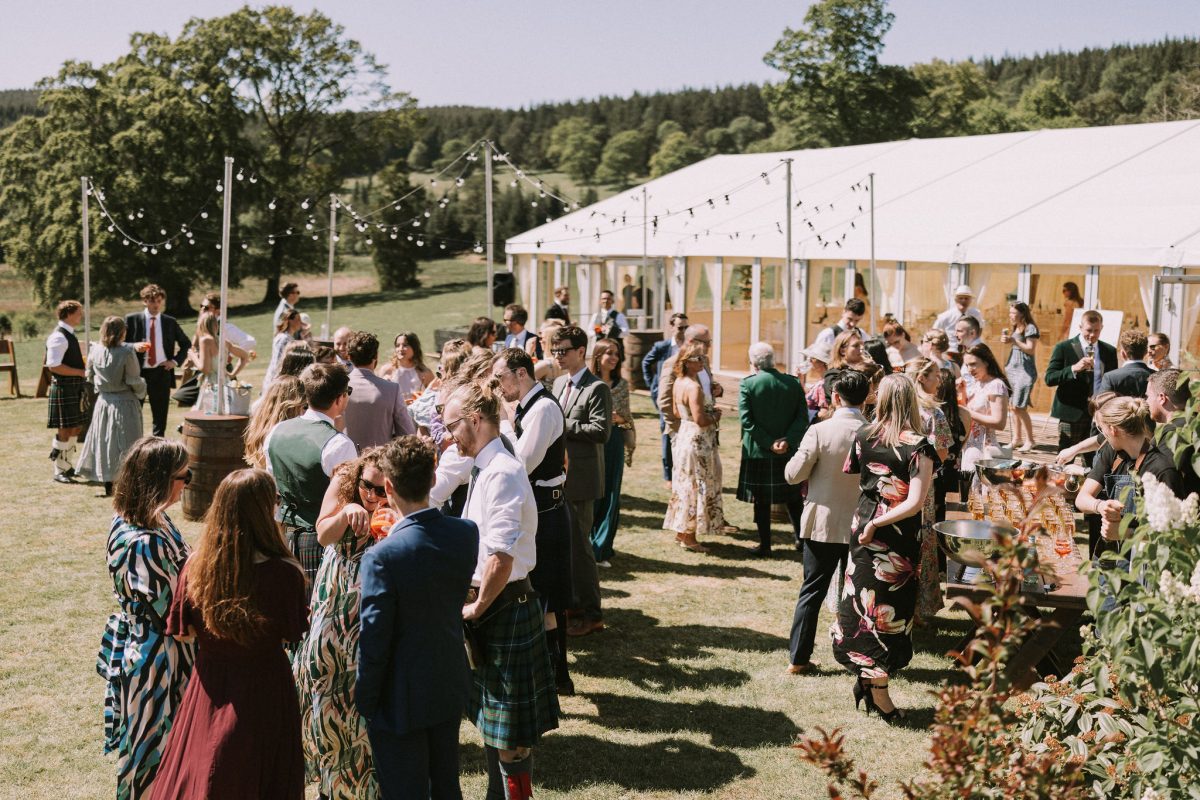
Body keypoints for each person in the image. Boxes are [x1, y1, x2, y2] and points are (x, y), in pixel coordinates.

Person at [149, 469, 309, 799]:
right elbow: (289, 635)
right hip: (265, 687)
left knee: (207, 770)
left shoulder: (196, 567)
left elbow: (183, 632)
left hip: (209, 685)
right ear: (265, 511)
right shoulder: (284, 572)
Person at [442, 381, 560, 800]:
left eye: (452, 424)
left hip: (503, 606)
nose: (448, 434)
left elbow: (501, 557)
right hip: (492, 604)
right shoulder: (484, 467)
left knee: (510, 735)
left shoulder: (504, 472)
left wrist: (476, 609)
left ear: (475, 420)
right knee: (493, 722)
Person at [357, 437, 479, 800]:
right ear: (432, 478)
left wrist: (365, 699)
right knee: (446, 785)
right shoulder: (465, 533)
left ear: (389, 487)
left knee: (403, 790)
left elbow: (374, 638)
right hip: (448, 677)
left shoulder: (382, 556)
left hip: (399, 693)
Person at [832, 374, 937, 722]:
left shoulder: (863, 435)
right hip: (893, 532)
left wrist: (872, 519)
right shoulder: (919, 445)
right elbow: (916, 501)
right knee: (884, 610)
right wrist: (879, 522)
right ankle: (878, 693)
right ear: (911, 400)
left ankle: (868, 682)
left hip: (865, 525)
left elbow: (858, 477)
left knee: (866, 604)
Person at [96, 436, 195, 800]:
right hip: (158, 660)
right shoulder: (144, 541)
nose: (189, 483)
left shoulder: (151, 520)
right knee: (152, 754)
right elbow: (175, 612)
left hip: (153, 645)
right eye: (185, 476)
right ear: (160, 480)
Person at [295, 447, 387, 798]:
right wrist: (347, 511)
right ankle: (328, 780)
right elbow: (323, 534)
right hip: (336, 598)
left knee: (361, 697)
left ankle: (362, 786)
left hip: (370, 602)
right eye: (369, 487)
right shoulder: (344, 482)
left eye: (382, 490)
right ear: (359, 476)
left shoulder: (390, 504)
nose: (373, 496)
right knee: (326, 684)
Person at [492, 347, 576, 694]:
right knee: (541, 594)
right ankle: (552, 674)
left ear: (521, 373)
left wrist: (500, 423)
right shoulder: (531, 406)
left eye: (501, 378)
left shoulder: (542, 408)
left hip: (548, 512)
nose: (499, 387)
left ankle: (558, 675)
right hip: (540, 509)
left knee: (549, 595)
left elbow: (522, 463)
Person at [783, 370, 869, 673]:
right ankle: (859, 654)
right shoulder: (873, 432)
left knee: (812, 591)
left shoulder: (820, 430)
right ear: (867, 397)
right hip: (863, 523)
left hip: (823, 521)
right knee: (859, 594)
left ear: (834, 396)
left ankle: (799, 658)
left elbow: (793, 474)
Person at [266, 364, 358, 593]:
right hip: (322, 540)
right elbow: (348, 499)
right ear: (339, 398)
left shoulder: (277, 431)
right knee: (318, 608)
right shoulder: (339, 444)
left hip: (282, 533)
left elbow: (272, 484)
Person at [551, 325, 612, 636]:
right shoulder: (559, 382)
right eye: (554, 350)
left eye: (563, 350)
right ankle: (572, 605)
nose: (558, 356)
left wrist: (562, 422)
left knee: (581, 550)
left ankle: (592, 614)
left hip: (583, 479)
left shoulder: (596, 388)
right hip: (559, 477)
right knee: (565, 548)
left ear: (580, 351)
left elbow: (601, 431)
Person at [1076, 397, 1186, 555]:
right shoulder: (1112, 453)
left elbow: (1177, 534)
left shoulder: (1163, 470)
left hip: (1144, 566)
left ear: (1113, 430)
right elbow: (1082, 499)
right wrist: (1100, 506)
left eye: (1101, 429)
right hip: (1109, 559)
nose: (1102, 435)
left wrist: (1124, 533)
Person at [737, 342, 808, 557]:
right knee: (793, 497)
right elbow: (802, 418)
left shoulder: (748, 385)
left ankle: (765, 545)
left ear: (753, 362)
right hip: (788, 451)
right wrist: (787, 440)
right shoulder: (793, 383)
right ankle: (801, 541)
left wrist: (769, 442)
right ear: (773, 360)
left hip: (759, 453)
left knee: (762, 501)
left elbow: (746, 421)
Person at [663, 341, 724, 553]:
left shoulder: (679, 382)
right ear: (687, 362)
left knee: (685, 482)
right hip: (698, 438)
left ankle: (682, 531)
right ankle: (689, 536)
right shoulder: (694, 387)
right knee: (696, 484)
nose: (702, 361)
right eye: (698, 358)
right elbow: (700, 419)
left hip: (684, 434)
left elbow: (677, 412)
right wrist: (715, 415)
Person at [905, 359, 954, 624]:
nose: (939, 380)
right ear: (922, 377)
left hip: (893, 483)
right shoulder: (933, 413)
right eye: (935, 375)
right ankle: (917, 605)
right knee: (921, 541)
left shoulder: (898, 405)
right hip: (922, 484)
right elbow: (943, 451)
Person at [76, 316, 146, 495]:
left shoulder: (95, 350)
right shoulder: (126, 353)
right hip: (124, 401)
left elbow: (89, 375)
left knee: (105, 441)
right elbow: (133, 379)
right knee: (128, 442)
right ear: (122, 332)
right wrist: (141, 391)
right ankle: (127, 482)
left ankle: (108, 480)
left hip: (104, 401)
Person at [1044, 309, 1118, 457]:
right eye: (1088, 330)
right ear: (1080, 327)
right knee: (1066, 456)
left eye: (1096, 331)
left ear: (1101, 328)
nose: (1092, 335)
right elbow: (1050, 378)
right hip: (1072, 411)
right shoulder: (1064, 348)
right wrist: (1073, 369)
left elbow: (1111, 380)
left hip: (1098, 413)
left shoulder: (1109, 351)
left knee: (1095, 459)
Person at [124, 284, 192, 438]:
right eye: (152, 301)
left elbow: (186, 344)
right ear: (144, 301)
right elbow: (119, 343)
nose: (156, 304)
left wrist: (174, 362)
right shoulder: (132, 319)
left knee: (160, 415)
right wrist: (134, 346)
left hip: (161, 372)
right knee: (134, 413)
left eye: (159, 301)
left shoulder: (170, 322)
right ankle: (135, 444)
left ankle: (158, 447)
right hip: (137, 372)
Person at [591, 339, 631, 566]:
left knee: (611, 492)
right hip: (592, 442)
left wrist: (619, 418)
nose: (614, 357)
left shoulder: (621, 385)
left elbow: (628, 419)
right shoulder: (589, 383)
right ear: (598, 356)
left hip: (613, 440)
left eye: (617, 353)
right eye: (609, 353)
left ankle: (603, 547)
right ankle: (588, 544)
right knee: (592, 492)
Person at [343, 331, 416, 451]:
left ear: (349, 356)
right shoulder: (391, 389)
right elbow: (407, 434)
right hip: (379, 463)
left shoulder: (338, 387)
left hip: (344, 463)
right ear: (376, 356)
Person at [642, 312, 688, 484]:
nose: (683, 331)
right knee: (666, 433)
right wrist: (652, 386)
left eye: (686, 327)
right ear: (672, 327)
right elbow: (646, 362)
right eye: (680, 327)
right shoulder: (662, 347)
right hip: (666, 397)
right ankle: (668, 475)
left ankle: (683, 469)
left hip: (683, 396)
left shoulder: (689, 347)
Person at [46, 300, 88, 483]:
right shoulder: (59, 336)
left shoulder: (68, 334)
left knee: (76, 427)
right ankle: (59, 470)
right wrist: (80, 371)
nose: (81, 316)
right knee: (64, 429)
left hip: (73, 387)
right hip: (64, 387)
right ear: (69, 314)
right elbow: (54, 366)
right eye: (79, 313)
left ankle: (67, 465)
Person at [958, 344, 1012, 475]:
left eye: (973, 364)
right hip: (969, 447)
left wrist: (967, 412)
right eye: (967, 365)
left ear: (986, 361)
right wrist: (961, 392)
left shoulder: (996, 385)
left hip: (985, 449)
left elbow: (999, 423)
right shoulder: (977, 384)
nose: (970, 369)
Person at [1147, 368, 1200, 498]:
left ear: (1161, 398)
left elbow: (1165, 479)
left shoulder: (1172, 434)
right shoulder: (1195, 423)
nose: (1146, 401)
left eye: (1148, 396)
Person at [189, 311, 252, 415]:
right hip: (225, 382)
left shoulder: (205, 340)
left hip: (212, 385)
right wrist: (232, 375)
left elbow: (205, 369)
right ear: (215, 325)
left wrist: (193, 356)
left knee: (208, 416)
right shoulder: (224, 341)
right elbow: (245, 356)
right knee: (225, 413)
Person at [244, 375, 305, 470]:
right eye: (304, 406)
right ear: (292, 406)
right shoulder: (286, 434)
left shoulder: (260, 425)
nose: (305, 411)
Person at [1002, 302, 1040, 453]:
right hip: (1013, 369)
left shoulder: (1031, 328)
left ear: (1022, 314)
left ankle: (1030, 440)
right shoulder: (1016, 327)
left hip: (1025, 371)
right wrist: (1008, 341)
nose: (1011, 316)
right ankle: (1017, 439)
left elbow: (1030, 350)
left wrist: (1014, 341)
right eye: (1010, 313)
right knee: (1013, 406)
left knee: (1019, 406)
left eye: (1013, 313)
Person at [199, 292, 257, 376]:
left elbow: (250, 341)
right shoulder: (202, 325)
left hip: (221, 372)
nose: (203, 309)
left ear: (218, 310)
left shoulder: (224, 326)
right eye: (201, 306)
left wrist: (230, 357)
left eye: (206, 307)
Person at [819, 330, 869, 419]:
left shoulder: (864, 369)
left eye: (862, 345)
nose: (861, 349)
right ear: (842, 350)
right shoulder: (833, 374)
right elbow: (845, 398)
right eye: (856, 345)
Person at [377, 331, 435, 401]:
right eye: (397, 346)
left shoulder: (426, 373)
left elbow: (433, 399)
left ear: (415, 348)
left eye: (405, 345)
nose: (400, 349)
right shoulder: (386, 370)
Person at [1100, 329, 1153, 399]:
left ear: (1123, 353)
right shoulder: (1157, 376)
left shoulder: (1110, 377)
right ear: (1146, 352)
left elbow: (1102, 404)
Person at [933, 285, 984, 354]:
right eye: (960, 298)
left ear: (970, 300)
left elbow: (980, 328)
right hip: (951, 352)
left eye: (966, 298)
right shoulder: (945, 316)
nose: (963, 301)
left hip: (970, 351)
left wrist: (973, 343)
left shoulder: (976, 313)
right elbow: (935, 332)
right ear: (955, 299)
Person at [264, 309, 304, 393]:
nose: (301, 322)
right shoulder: (283, 339)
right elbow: (278, 361)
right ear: (290, 321)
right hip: (275, 380)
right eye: (298, 319)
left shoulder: (288, 337)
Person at [799, 340, 832, 423]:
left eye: (812, 358)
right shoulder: (823, 380)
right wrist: (801, 381)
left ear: (822, 363)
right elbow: (813, 396)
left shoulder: (823, 384)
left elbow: (824, 414)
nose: (809, 361)